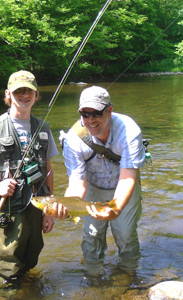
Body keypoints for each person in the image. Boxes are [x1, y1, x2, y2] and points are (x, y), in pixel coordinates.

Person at [0, 70, 59, 286]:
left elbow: (49, 170)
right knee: (3, 272)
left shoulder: (43, 128)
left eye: (29, 91)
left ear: (36, 95)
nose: (24, 95)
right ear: (8, 94)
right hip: (6, 211)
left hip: (36, 209)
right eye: (19, 91)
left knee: (29, 260)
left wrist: (49, 211)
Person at [62, 86, 146, 271]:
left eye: (96, 114)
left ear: (109, 110)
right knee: (92, 236)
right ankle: (93, 277)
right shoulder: (73, 139)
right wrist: (66, 206)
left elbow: (128, 178)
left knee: (125, 233)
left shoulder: (129, 130)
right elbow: (77, 182)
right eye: (85, 114)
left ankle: (129, 275)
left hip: (125, 185)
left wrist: (115, 209)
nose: (90, 120)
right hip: (93, 187)